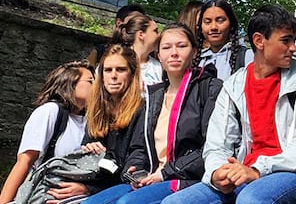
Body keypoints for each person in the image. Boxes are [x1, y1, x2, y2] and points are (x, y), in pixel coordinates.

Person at [161, 5, 296, 204]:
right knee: (174, 202)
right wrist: (218, 172)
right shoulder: (233, 86)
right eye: (286, 41)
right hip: (243, 173)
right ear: (259, 41)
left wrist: (257, 169)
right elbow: (217, 144)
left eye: (293, 41)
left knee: (251, 200)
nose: (293, 48)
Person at [82, 24, 223, 204]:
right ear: (159, 55)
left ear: (195, 52)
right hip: (152, 175)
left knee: (127, 203)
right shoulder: (155, 95)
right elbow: (140, 146)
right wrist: (134, 170)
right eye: (166, 47)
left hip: (187, 177)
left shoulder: (209, 88)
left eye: (181, 46)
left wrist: (164, 173)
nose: (174, 53)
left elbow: (211, 147)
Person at [0, 60, 95, 204]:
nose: (96, 86)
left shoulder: (92, 121)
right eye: (90, 81)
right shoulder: (50, 112)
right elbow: (24, 162)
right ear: (71, 82)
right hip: (45, 195)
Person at [79, 45, 145, 196]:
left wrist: (105, 157)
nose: (113, 76)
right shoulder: (96, 109)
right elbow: (84, 156)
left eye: (120, 70)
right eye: (108, 70)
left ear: (132, 74)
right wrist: (89, 151)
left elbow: (133, 164)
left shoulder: (142, 110)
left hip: (122, 186)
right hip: (92, 179)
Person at [196, 0, 253, 80]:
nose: (213, 27)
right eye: (207, 22)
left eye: (220, 21)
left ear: (231, 24)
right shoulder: (196, 61)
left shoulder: (247, 57)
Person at [112, 12, 162, 92]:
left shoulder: (158, 67)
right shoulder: (114, 62)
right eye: (155, 31)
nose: (159, 35)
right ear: (141, 35)